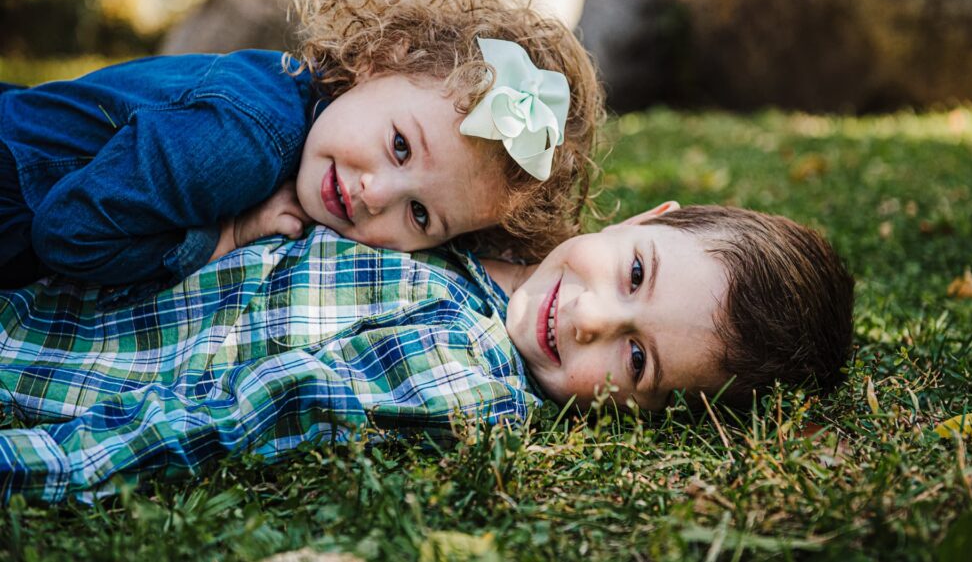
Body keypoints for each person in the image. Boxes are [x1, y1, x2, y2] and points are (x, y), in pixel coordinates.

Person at [0, 203, 854, 503]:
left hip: (39, 356)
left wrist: (27, 462)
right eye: (635, 272)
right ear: (649, 220)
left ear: (643, 412)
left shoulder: (465, 383)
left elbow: (244, 413)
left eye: (638, 362)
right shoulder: (475, 213)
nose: (594, 318)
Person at [0, 0, 603, 290]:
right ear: (381, 59)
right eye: (399, 146)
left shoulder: (300, 99)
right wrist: (224, 236)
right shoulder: (248, 139)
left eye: (420, 215)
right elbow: (68, 234)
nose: (376, 195)